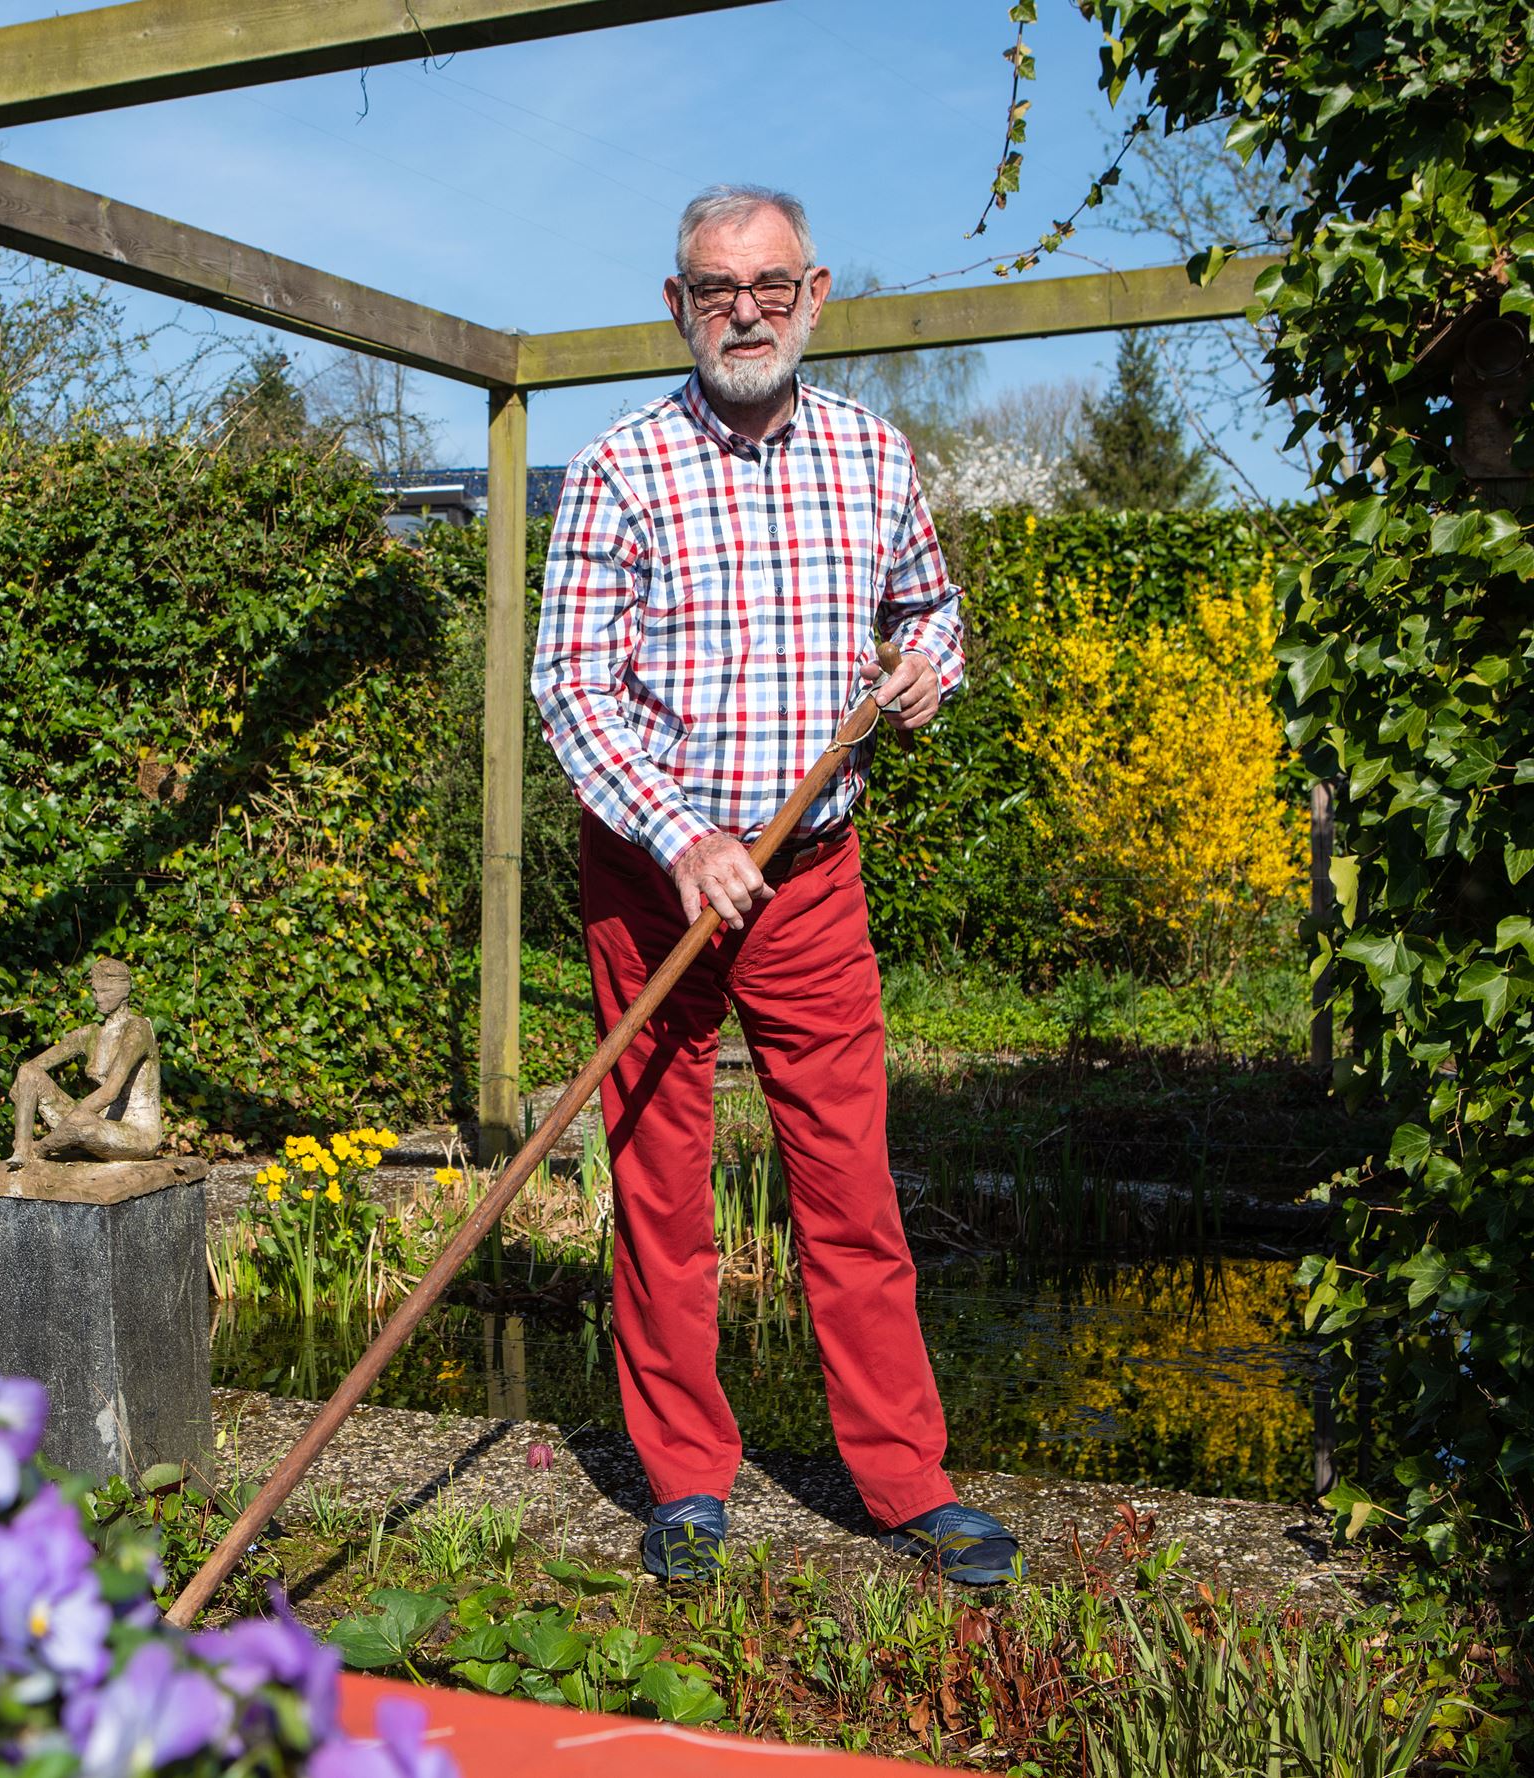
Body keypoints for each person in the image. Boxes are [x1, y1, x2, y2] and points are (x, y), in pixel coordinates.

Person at [532, 184, 1021, 1586]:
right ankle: (687, 1477)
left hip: (808, 878)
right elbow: (569, 685)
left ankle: (905, 1481)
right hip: (654, 878)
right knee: (661, 1183)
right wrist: (682, 834)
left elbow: (930, 608)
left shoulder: (875, 456)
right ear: (674, 306)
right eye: (710, 288)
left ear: (812, 295)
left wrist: (931, 669)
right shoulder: (620, 468)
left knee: (848, 1183)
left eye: (766, 285)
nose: (740, 310)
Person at [5, 957, 161, 1166]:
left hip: (135, 1134)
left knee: (80, 1121)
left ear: (124, 993)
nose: (98, 998)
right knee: (28, 1072)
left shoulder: (137, 1029)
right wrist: (23, 1084)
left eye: (105, 992)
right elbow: (33, 1067)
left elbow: (110, 1091)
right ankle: (22, 1150)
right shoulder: (90, 1033)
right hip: (95, 1124)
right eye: (95, 991)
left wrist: (57, 1134)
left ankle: (39, 1150)